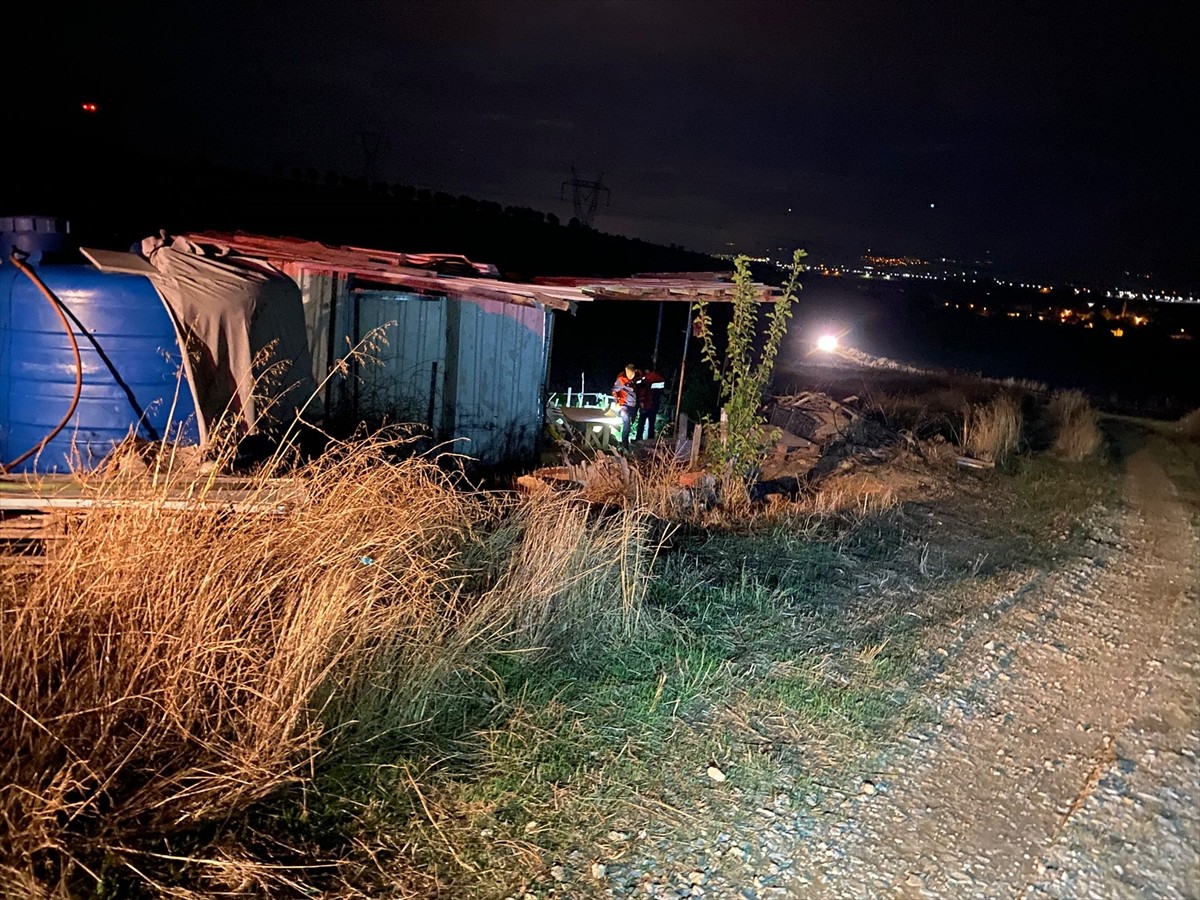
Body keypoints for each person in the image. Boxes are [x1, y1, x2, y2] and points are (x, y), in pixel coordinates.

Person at [611, 363, 640, 446]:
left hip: (633, 405)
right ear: (626, 371)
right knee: (626, 423)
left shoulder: (636, 379)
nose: (631, 375)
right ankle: (625, 444)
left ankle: (626, 442)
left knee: (630, 423)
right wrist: (617, 402)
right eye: (630, 373)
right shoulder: (621, 379)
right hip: (624, 405)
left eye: (633, 373)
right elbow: (614, 391)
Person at [635, 367, 665, 440]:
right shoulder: (660, 379)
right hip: (654, 405)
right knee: (651, 424)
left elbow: (642, 391)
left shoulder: (646, 379)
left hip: (646, 404)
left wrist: (641, 402)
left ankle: (638, 439)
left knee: (641, 423)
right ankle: (650, 440)